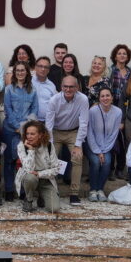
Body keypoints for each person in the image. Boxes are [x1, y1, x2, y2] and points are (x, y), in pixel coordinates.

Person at [47, 75, 89, 205]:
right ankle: (50, 191)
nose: (68, 89)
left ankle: (74, 194)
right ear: (61, 87)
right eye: (66, 86)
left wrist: (78, 145)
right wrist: (50, 145)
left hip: (73, 132)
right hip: (56, 132)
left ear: (77, 87)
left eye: (71, 86)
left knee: (77, 158)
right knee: (49, 159)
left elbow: (84, 123)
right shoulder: (54, 100)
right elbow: (49, 124)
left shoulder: (83, 99)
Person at [2, 61, 37, 202]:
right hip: (10, 129)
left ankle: (23, 190)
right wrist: (17, 127)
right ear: (14, 73)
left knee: (24, 161)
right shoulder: (9, 89)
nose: (20, 73)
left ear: (27, 72)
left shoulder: (33, 90)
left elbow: (34, 110)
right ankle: (9, 189)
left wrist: (26, 129)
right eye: (18, 71)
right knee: (10, 160)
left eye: (23, 70)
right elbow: (8, 109)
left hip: (27, 131)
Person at [85, 86, 122, 202]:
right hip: (91, 144)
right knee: (96, 162)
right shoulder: (93, 111)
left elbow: (114, 134)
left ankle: (100, 189)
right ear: (99, 99)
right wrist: (98, 151)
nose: (105, 98)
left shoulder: (118, 112)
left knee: (107, 162)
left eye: (108, 95)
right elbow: (89, 132)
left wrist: (104, 150)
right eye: (102, 96)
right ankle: (93, 190)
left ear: (112, 97)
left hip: (107, 145)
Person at [15, 119, 60, 213]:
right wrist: (31, 150)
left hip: (46, 179)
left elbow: (56, 169)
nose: (29, 136)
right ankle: (29, 199)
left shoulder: (49, 146)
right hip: (30, 177)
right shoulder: (21, 146)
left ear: (40, 135)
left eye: (32, 134)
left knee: (54, 209)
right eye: (27, 134)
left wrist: (39, 174)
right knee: (30, 177)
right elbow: (28, 169)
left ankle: (42, 196)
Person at [31, 57, 57, 122]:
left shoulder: (51, 86)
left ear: (48, 70)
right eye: (40, 66)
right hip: (29, 121)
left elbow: (55, 104)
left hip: (46, 122)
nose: (43, 69)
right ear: (35, 67)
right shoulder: (28, 82)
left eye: (46, 67)